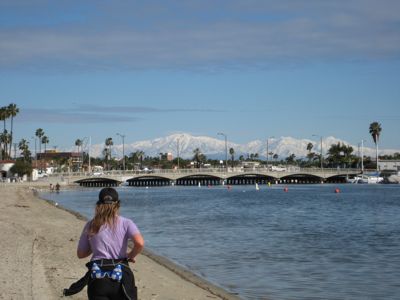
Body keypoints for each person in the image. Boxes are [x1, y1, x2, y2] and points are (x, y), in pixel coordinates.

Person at [63, 187, 144, 300]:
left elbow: (81, 254)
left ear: (98, 204)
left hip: (97, 277)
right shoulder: (126, 223)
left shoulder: (91, 225)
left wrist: (94, 244)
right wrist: (130, 255)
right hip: (120, 275)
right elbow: (139, 243)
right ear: (118, 204)